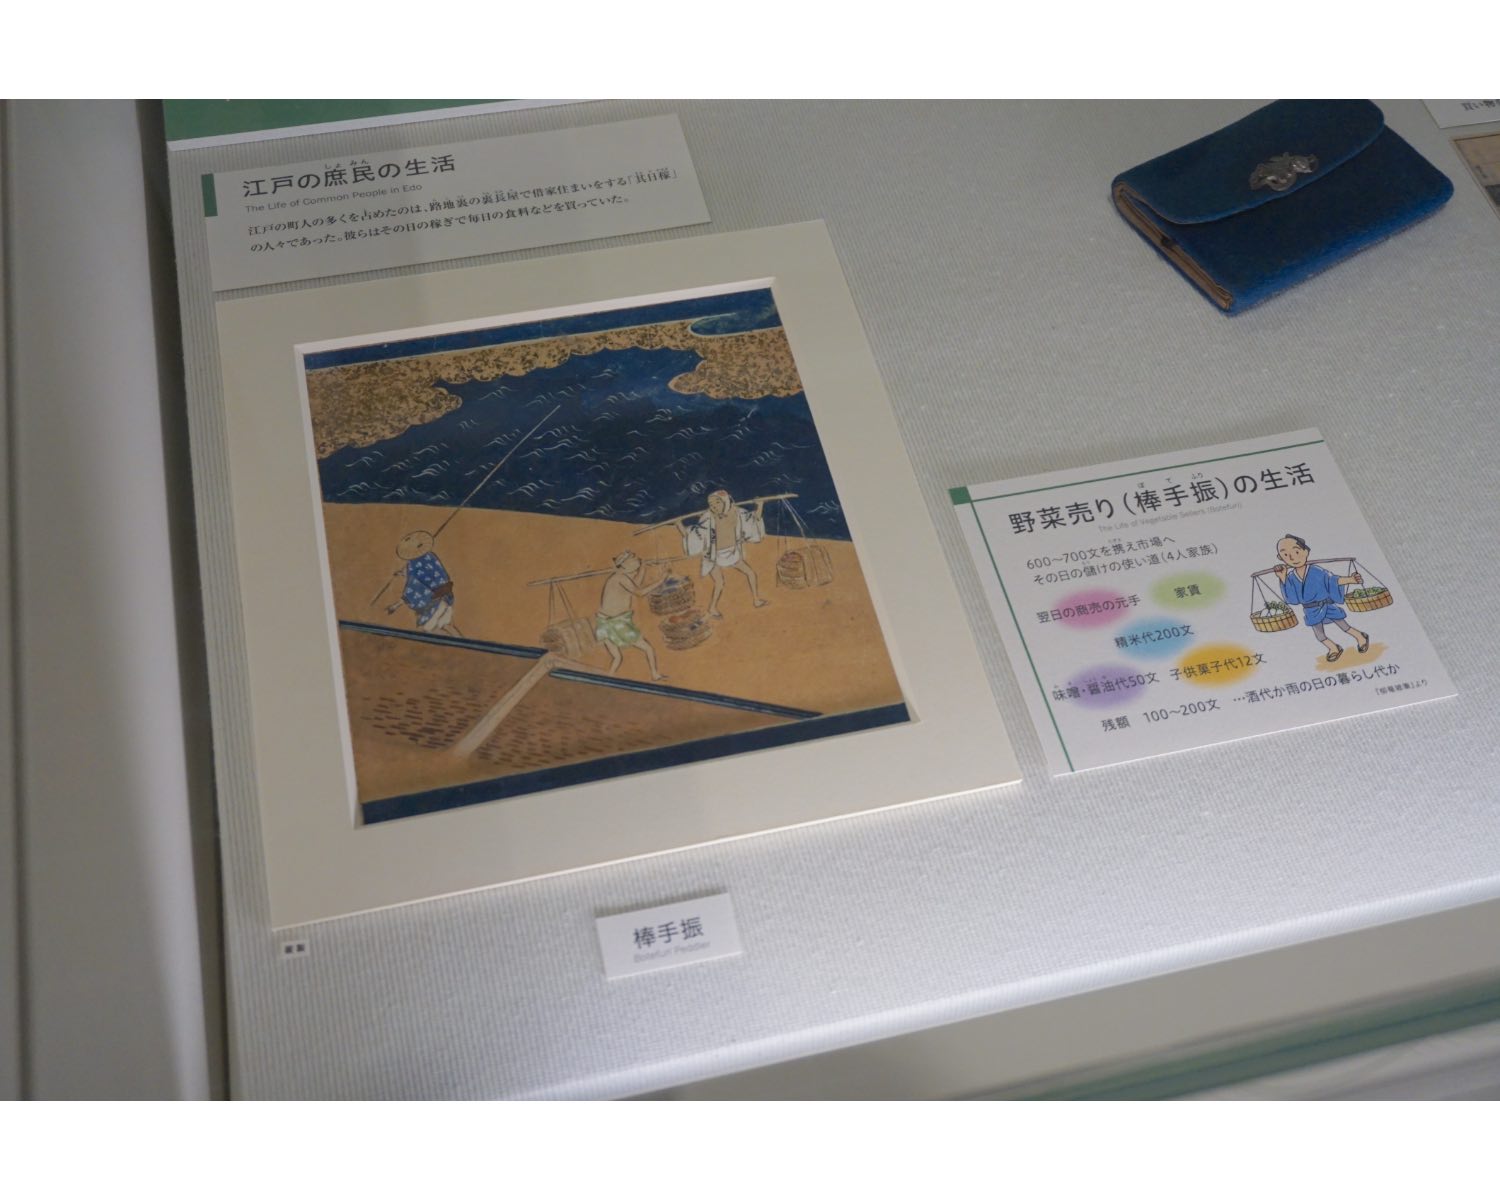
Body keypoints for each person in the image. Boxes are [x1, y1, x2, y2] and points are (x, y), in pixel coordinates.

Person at [1274, 533, 1370, 662]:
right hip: (1310, 610)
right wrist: (1283, 578)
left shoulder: (1316, 571)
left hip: (1326, 605)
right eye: (1285, 555)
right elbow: (1292, 599)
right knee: (1319, 635)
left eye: (1296, 552)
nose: (1292, 557)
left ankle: (1360, 637)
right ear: (1281, 558)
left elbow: (1332, 580)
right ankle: (1334, 648)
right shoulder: (1290, 577)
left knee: (1344, 626)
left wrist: (1351, 580)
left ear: (1305, 552)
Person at [676, 490, 769, 618]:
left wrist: (760, 505)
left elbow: (754, 520)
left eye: (717, 503)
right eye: (711, 504)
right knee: (719, 583)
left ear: (726, 501)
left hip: (732, 553)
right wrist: (679, 525)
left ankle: (756, 600)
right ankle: (712, 608)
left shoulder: (738, 512)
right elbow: (693, 536)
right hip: (713, 556)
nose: (714, 507)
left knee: (751, 573)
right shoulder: (708, 518)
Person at [595, 550, 666, 680]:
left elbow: (635, 585)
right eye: (633, 561)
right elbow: (639, 592)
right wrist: (660, 581)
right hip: (616, 624)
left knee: (617, 657)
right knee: (648, 648)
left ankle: (609, 677)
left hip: (604, 624)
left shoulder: (620, 577)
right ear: (624, 565)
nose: (636, 562)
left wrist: (643, 568)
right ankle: (655, 674)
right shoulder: (620, 578)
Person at [385, 530, 456, 635]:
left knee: (429, 629)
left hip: (435, 604)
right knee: (447, 626)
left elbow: (413, 587)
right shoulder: (430, 556)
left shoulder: (413, 565)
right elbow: (429, 576)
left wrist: (395, 606)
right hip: (446, 597)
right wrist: (404, 573)